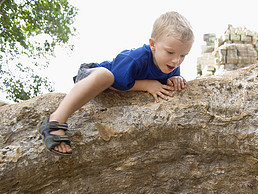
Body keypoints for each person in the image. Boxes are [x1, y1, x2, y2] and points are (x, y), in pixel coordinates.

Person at [38, 11, 194, 156]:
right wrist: (147, 85)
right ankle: (55, 121)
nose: (176, 60)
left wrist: (175, 79)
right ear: (153, 44)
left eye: (183, 55)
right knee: (106, 76)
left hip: (108, 82)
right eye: (170, 52)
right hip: (92, 74)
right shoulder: (136, 58)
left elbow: (166, 80)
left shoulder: (171, 65)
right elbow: (116, 83)